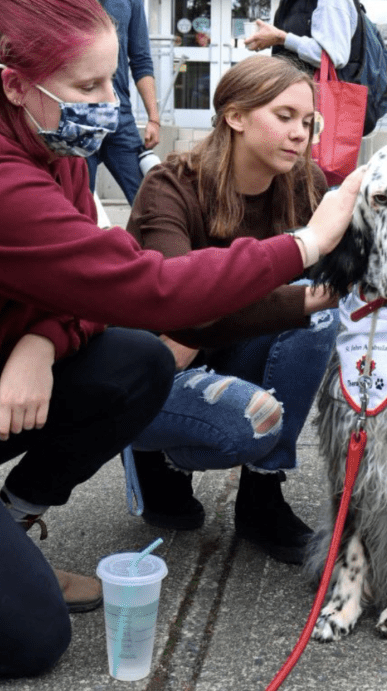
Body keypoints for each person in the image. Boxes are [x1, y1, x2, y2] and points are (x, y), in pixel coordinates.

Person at [0, 0, 356, 677]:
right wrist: (309, 243)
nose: (111, 105)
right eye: (88, 88)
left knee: (133, 361)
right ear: (16, 83)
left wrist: (41, 337)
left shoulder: (44, 142)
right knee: (27, 638)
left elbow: (94, 283)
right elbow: (150, 286)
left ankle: (4, 521)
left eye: (111, 80)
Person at [124, 55, 336, 565]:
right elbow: (179, 306)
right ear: (234, 115)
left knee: (320, 314)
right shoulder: (170, 186)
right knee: (247, 422)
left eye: (308, 122)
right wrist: (299, 298)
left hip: (215, 345)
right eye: (283, 116)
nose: (299, 134)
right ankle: (154, 454)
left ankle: (263, 492)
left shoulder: (309, 187)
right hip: (156, 366)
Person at [73, 0, 161, 204]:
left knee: (148, 202)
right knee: (80, 204)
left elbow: (141, 59)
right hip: (76, 116)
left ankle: (147, 245)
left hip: (119, 117)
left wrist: (153, 118)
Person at [244, 0, 360, 75]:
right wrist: (273, 40)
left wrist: (281, 38)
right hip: (300, 90)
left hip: (316, 92)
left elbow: (333, 57)